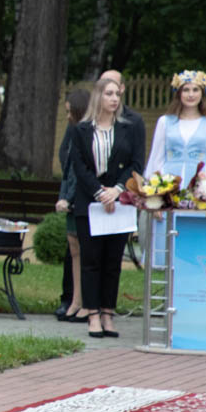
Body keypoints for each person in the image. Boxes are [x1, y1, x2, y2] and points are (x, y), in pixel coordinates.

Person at [69, 76, 144, 340]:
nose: (114, 99)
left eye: (117, 95)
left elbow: (136, 162)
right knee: (91, 260)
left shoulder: (128, 128)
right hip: (89, 202)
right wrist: (100, 193)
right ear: (98, 97)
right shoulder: (81, 130)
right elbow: (79, 166)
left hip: (119, 202)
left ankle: (107, 313)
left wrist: (118, 190)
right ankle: (92, 315)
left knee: (113, 261)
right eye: (109, 94)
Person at [145, 70, 206, 267]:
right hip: (171, 184)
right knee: (168, 236)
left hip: (200, 186)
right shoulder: (166, 122)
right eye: (186, 89)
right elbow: (156, 158)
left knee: (194, 239)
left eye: (195, 89)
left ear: (202, 93)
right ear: (178, 93)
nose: (190, 94)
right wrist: (155, 196)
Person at [55, 87, 91, 322]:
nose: (67, 116)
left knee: (87, 252)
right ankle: (76, 299)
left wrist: (68, 196)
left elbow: (79, 170)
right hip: (69, 196)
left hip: (83, 199)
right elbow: (66, 167)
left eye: (70, 112)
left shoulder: (86, 132)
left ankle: (86, 301)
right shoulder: (72, 130)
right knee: (75, 250)